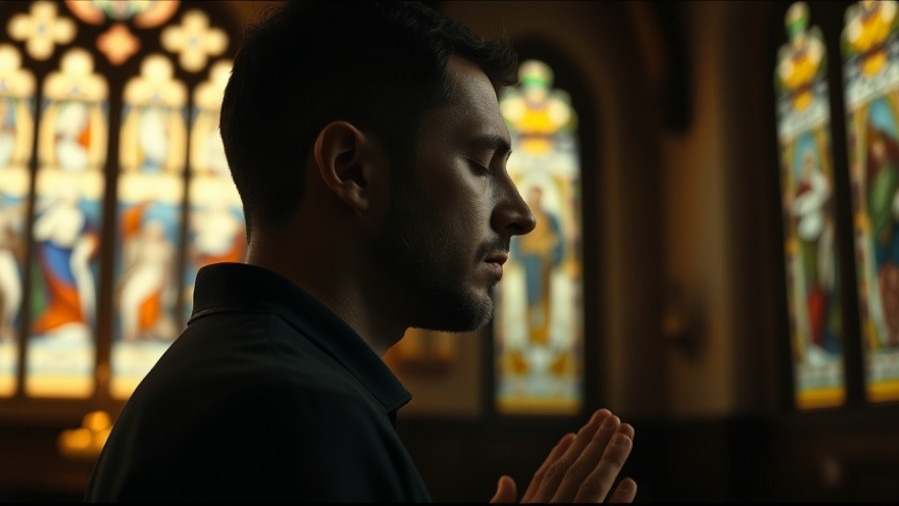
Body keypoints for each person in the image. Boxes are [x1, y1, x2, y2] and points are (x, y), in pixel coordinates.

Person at [85, 1, 638, 502]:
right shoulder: (299, 412)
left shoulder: (239, 373)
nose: (521, 213)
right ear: (351, 169)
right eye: (479, 164)